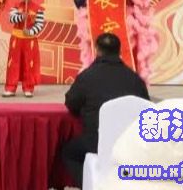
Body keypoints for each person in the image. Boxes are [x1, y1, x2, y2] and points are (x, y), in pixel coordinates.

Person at [61, 33, 149, 188]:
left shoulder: (87, 76)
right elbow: (146, 109)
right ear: (119, 51)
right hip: (131, 143)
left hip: (97, 142)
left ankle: (94, 185)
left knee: (69, 153)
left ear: (97, 50)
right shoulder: (135, 79)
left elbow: (71, 103)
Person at [4, 0, 45, 97]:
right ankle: (10, 87)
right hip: (16, 40)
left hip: (29, 40)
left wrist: (30, 31)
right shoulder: (16, 6)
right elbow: (11, 19)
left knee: (29, 64)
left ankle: (28, 87)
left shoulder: (38, 9)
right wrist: (21, 17)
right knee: (13, 64)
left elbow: (40, 25)